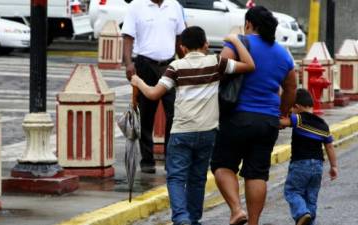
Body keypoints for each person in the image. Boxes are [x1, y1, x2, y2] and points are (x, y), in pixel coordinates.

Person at [131, 26, 255, 225]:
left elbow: (154, 94)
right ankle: (194, 219)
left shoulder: (176, 67)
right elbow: (249, 66)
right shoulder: (216, 62)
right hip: (208, 132)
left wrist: (138, 81)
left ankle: (182, 219)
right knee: (198, 178)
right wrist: (236, 39)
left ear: (182, 47)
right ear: (206, 44)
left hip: (182, 132)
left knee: (176, 177)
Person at [210, 6, 297, 225]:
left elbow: (220, 68)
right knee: (257, 173)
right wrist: (282, 114)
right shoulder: (283, 54)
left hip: (237, 116)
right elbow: (291, 89)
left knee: (223, 165)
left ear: (249, 24)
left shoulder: (239, 43)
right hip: (267, 120)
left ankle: (236, 209)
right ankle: (254, 222)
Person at [121, 0, 186, 173]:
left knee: (173, 113)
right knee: (146, 114)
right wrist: (128, 63)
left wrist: (186, 62)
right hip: (145, 64)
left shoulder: (174, 6)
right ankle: (147, 160)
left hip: (169, 65)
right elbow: (128, 38)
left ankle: (170, 158)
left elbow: (180, 38)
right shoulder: (136, 5)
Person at [280, 88, 338, 225]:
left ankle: (301, 213)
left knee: (292, 191)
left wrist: (278, 117)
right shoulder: (324, 125)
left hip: (300, 164)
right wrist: (334, 166)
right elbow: (329, 146)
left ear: (297, 106)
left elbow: (282, 123)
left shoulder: (298, 119)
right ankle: (309, 220)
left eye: (291, 109)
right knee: (311, 198)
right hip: (318, 166)